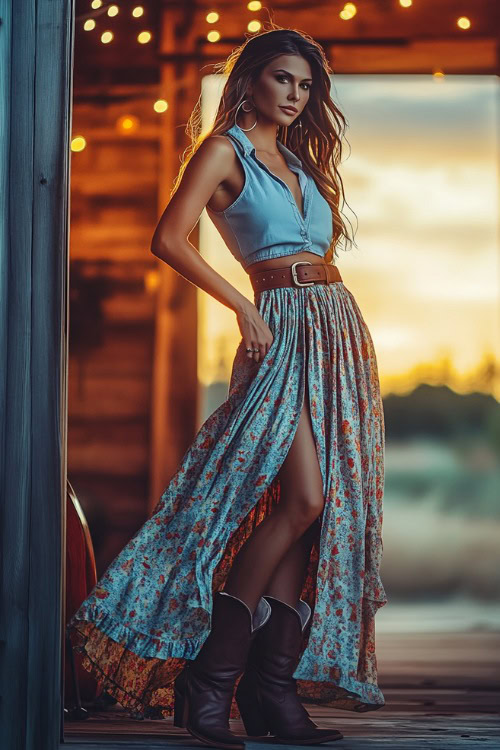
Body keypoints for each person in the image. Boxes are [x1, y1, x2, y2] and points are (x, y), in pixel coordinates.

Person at [68, 25, 388, 750]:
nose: (295, 95)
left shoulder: (301, 162)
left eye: (306, 85)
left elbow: (316, 255)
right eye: (283, 79)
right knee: (300, 497)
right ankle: (214, 676)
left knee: (316, 508)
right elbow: (169, 238)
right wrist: (243, 306)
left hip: (334, 332)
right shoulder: (224, 152)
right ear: (248, 80)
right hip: (276, 325)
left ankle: (269, 692)